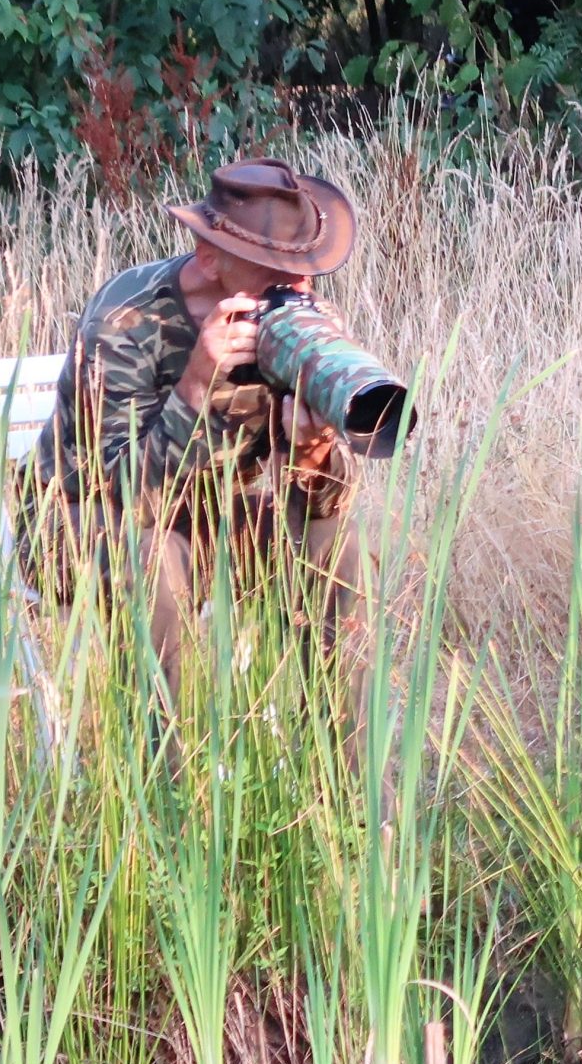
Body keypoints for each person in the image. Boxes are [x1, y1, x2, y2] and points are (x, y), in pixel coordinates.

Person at [29, 157, 371, 706]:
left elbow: (330, 500)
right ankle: (169, 779)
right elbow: (123, 495)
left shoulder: (297, 323)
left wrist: (313, 456)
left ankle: (347, 778)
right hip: (76, 519)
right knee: (152, 554)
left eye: (303, 270)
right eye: (273, 272)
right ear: (210, 259)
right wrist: (195, 387)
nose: (295, 288)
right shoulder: (125, 321)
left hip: (207, 517)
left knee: (335, 542)